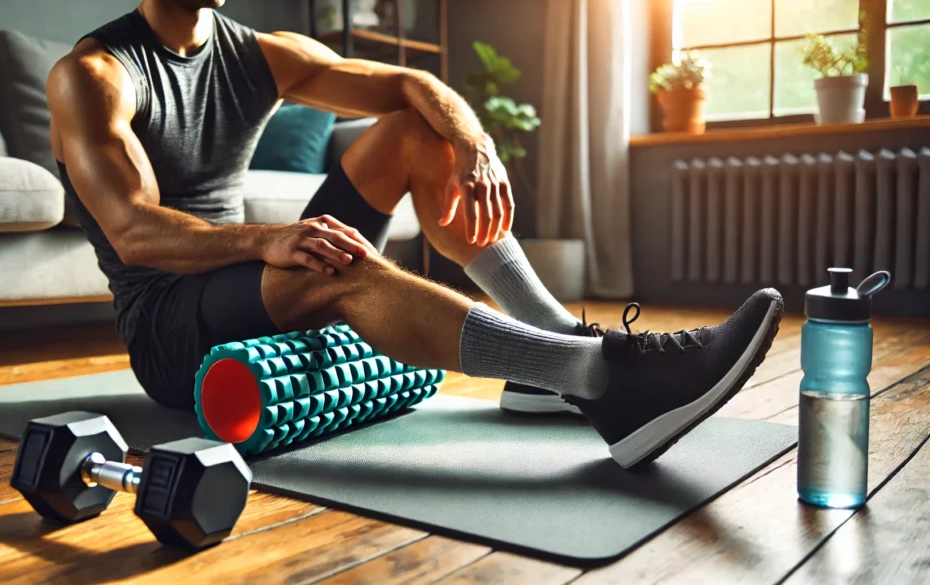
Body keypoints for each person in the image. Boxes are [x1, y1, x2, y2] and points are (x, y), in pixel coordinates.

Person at [49, 0, 783, 469]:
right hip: (169, 327)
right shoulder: (95, 73)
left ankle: (551, 345)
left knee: (413, 133)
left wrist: (474, 143)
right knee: (337, 259)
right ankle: (603, 381)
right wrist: (267, 239)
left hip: (239, 284)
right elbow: (133, 230)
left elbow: (407, 87)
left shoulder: (259, 52)